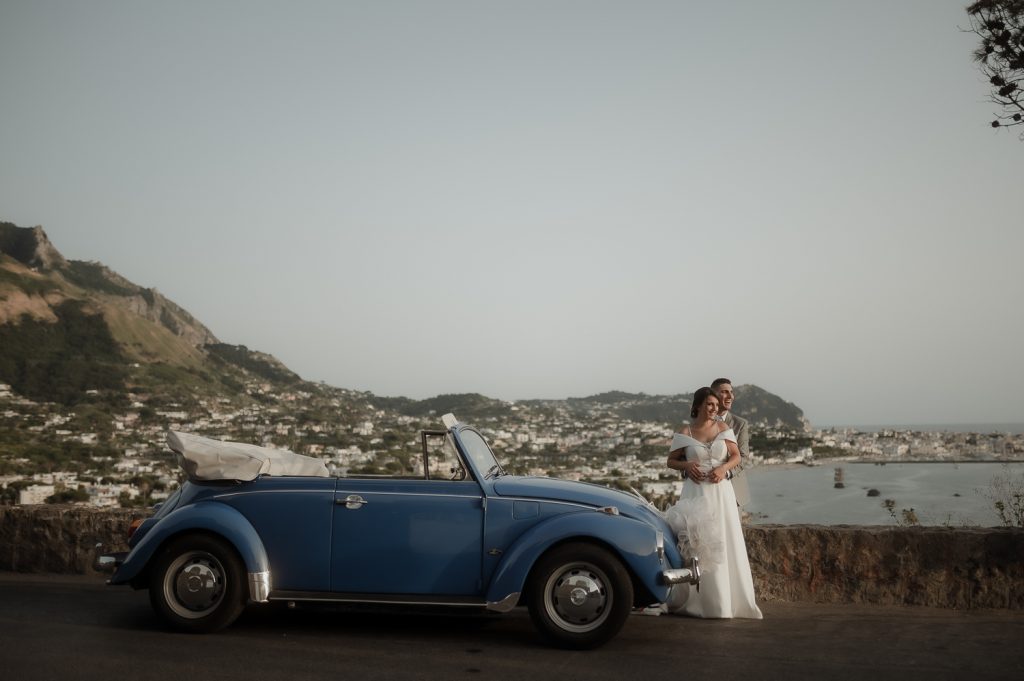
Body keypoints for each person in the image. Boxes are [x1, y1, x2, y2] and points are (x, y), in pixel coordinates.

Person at [663, 387, 762, 619]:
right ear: (697, 405)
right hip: (695, 494)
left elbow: (736, 456)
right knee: (697, 544)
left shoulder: (724, 428)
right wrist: (687, 466)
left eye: (716, 406)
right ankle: (699, 601)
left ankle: (726, 601)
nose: (714, 409)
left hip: (721, 493)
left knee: (724, 540)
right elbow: (671, 461)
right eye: (709, 404)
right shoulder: (685, 431)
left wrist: (723, 468)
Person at [711, 378, 751, 507]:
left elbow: (743, 457)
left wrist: (725, 472)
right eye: (725, 392)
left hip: (733, 491)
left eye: (731, 392)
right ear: (713, 395)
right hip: (704, 490)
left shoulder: (740, 424)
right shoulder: (699, 424)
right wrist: (688, 471)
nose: (730, 396)